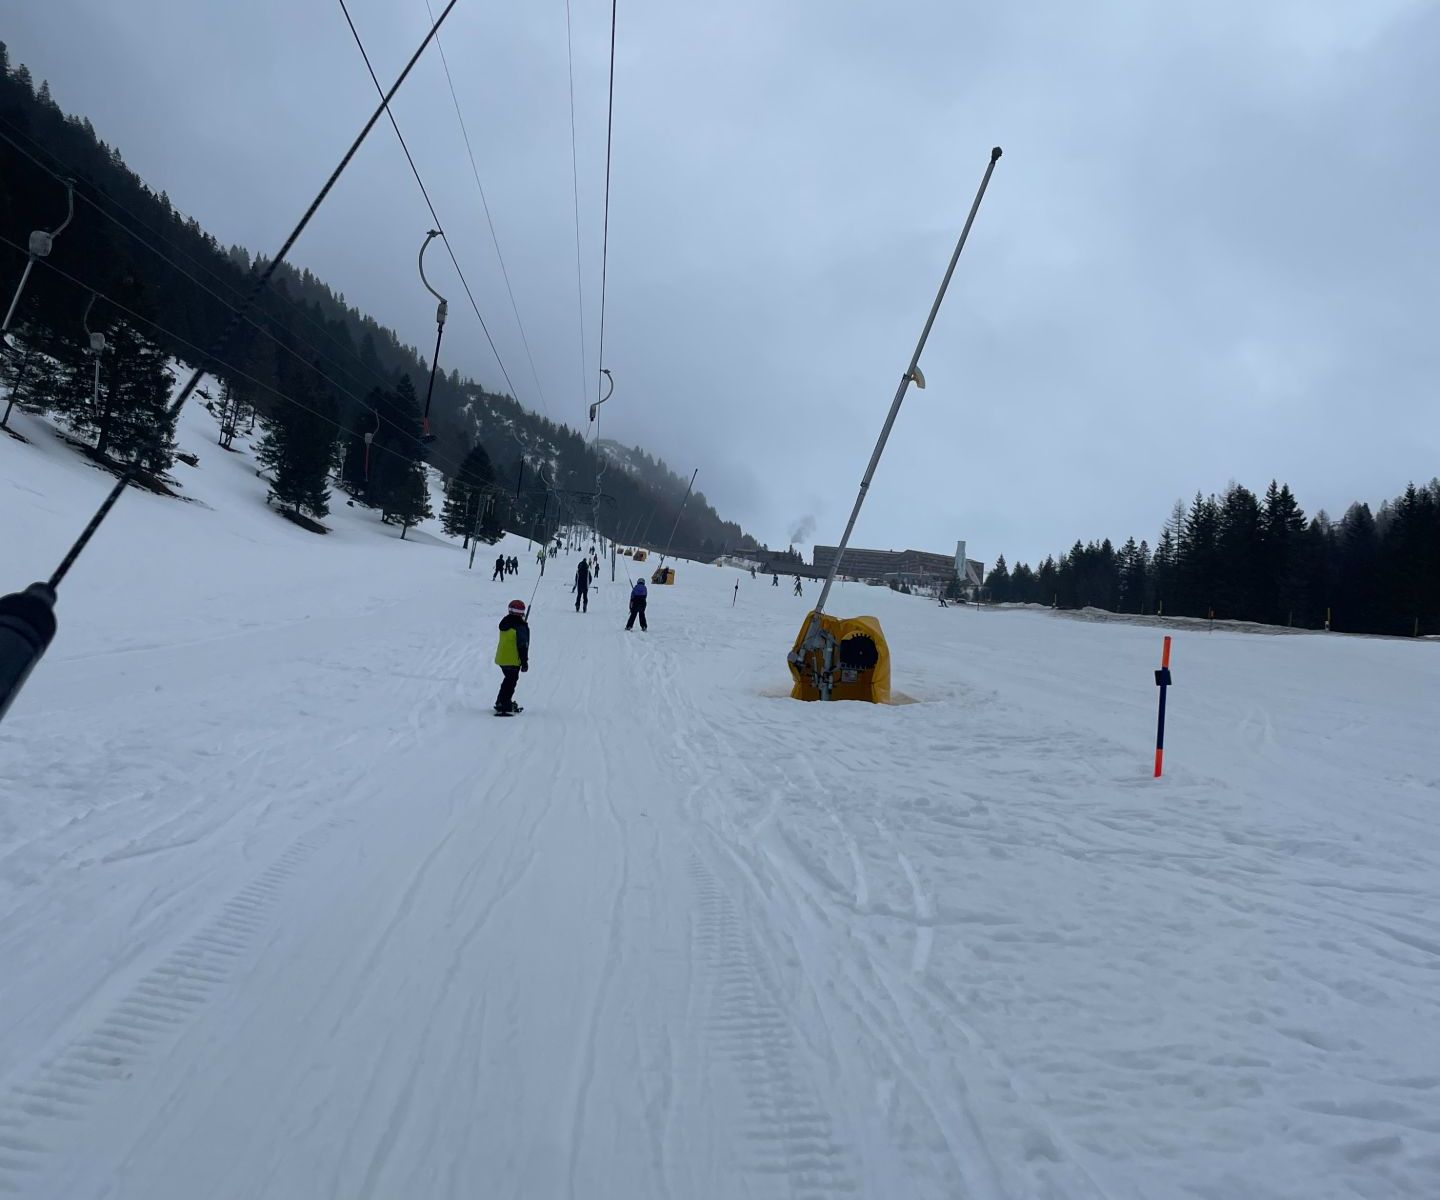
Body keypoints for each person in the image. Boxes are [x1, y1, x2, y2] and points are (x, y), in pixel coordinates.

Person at [494, 599, 530, 714]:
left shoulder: (505, 622)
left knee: (508, 680)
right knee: (511, 682)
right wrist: (524, 662)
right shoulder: (520, 626)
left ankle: (501, 701)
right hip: (512, 659)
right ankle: (504, 704)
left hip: (502, 658)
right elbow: (522, 645)